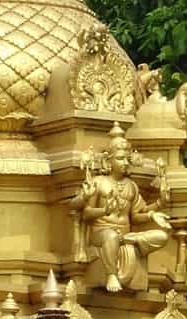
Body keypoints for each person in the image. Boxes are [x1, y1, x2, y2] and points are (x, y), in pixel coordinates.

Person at [70, 124, 171, 292]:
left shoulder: (131, 186)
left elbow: (136, 216)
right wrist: (105, 211)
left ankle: (127, 240)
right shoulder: (99, 182)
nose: (125, 163)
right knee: (111, 236)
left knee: (162, 236)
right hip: (101, 233)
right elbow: (86, 214)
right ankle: (111, 274)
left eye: (126, 159)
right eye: (119, 158)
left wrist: (157, 209)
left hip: (126, 234)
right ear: (108, 160)